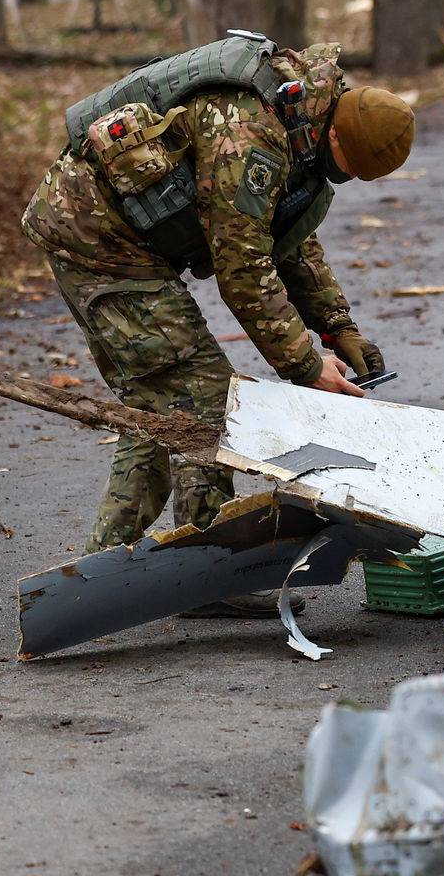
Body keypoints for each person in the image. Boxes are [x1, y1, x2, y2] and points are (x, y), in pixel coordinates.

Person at [21, 32, 414, 617]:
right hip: (98, 240)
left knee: (163, 410)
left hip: (130, 243)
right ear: (335, 133)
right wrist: (305, 366)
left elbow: (288, 235)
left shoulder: (301, 115)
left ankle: (101, 577)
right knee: (203, 399)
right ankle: (205, 575)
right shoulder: (250, 134)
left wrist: (338, 327)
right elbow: (244, 268)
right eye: (347, 168)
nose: (344, 179)